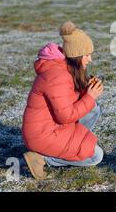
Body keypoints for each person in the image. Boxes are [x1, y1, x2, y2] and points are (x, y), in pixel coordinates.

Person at [21, 21, 104, 180]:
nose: (90, 59)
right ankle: (42, 158)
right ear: (77, 56)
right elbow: (65, 116)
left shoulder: (62, 69)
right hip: (42, 135)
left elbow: (66, 102)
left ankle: (72, 145)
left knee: (94, 108)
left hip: (51, 127)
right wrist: (89, 96)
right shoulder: (58, 76)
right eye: (87, 55)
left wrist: (87, 90)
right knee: (96, 156)